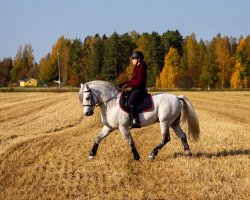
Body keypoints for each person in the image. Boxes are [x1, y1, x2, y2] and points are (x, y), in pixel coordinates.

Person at [119, 51, 147, 128]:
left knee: (130, 102)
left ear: (138, 59)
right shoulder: (137, 68)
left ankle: (136, 121)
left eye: (133, 59)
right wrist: (123, 83)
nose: (132, 61)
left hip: (139, 89)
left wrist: (127, 85)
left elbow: (139, 82)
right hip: (135, 89)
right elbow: (133, 80)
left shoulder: (141, 68)